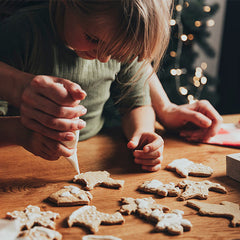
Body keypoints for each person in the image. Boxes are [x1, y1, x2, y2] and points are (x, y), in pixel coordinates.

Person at [0, 0, 222, 171]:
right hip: (18, 156)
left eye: (115, 53)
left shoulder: (123, 38)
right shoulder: (22, 33)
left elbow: (135, 103)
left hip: (92, 151)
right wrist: (24, 133)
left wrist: (142, 133)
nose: (104, 58)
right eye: (93, 39)